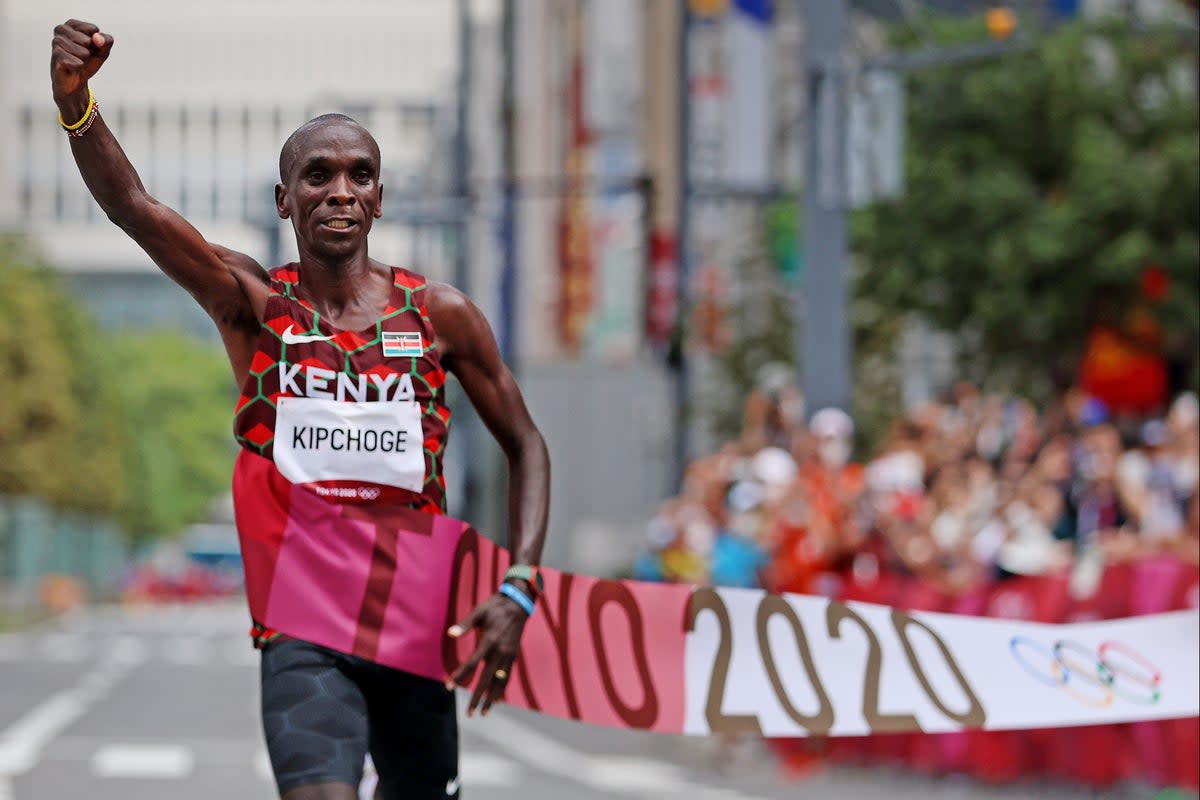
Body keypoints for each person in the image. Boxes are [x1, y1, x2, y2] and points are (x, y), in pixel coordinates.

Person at [51, 20, 551, 800]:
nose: (340, 191)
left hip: (414, 620)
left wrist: (519, 585)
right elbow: (134, 208)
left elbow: (525, 443)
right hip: (304, 623)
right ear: (285, 198)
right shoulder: (253, 304)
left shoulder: (440, 317)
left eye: (359, 175)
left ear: (380, 198)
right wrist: (76, 102)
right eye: (318, 175)